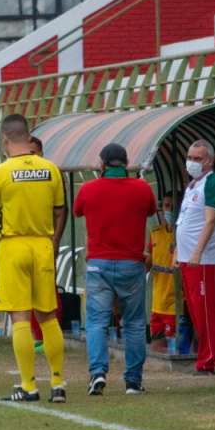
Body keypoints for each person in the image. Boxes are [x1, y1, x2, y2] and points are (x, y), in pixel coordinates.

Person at [0, 114, 68, 403]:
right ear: (29, 137)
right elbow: (59, 210)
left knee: (20, 317)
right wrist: (53, 243)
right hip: (43, 245)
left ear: (5, 139)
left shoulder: (0, 172)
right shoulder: (51, 169)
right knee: (47, 316)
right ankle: (58, 383)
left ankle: (28, 386)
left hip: (13, 246)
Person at [73, 143, 156, 396]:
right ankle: (133, 381)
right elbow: (151, 209)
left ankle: (97, 373)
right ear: (126, 163)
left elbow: (77, 211)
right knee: (134, 323)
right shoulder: (142, 189)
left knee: (97, 322)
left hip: (99, 264)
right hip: (132, 264)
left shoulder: (88, 189)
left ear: (102, 165)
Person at [175, 139, 215, 375]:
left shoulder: (214, 184)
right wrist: (180, 251)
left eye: (197, 159)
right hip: (189, 259)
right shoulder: (193, 186)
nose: (192, 163)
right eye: (189, 158)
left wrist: (198, 251)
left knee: (206, 310)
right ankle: (214, 353)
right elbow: (184, 220)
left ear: (209, 160)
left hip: (205, 260)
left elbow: (211, 221)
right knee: (197, 311)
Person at [26, 135, 67, 354]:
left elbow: (62, 211)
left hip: (45, 241)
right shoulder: (20, 174)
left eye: (34, 153)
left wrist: (56, 240)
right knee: (28, 291)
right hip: (24, 242)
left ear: (41, 152)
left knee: (47, 289)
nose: (30, 157)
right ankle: (36, 335)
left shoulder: (51, 173)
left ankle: (50, 334)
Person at [146, 191, 180, 352]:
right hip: (156, 303)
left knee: (174, 348)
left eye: (173, 206)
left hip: (175, 304)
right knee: (156, 349)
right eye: (167, 206)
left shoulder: (182, 234)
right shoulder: (155, 234)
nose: (169, 210)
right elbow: (147, 263)